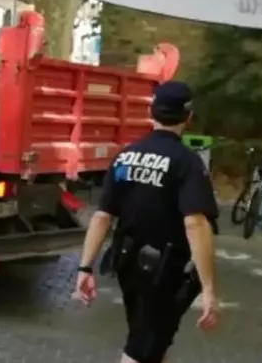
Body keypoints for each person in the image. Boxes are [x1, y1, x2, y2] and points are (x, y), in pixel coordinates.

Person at [74, 81, 220, 363]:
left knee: (150, 342)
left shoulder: (125, 156)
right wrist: (209, 289)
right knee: (142, 349)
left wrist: (85, 267)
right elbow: (195, 223)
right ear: (188, 116)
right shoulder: (187, 162)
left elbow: (102, 215)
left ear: (150, 112)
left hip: (128, 263)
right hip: (166, 272)